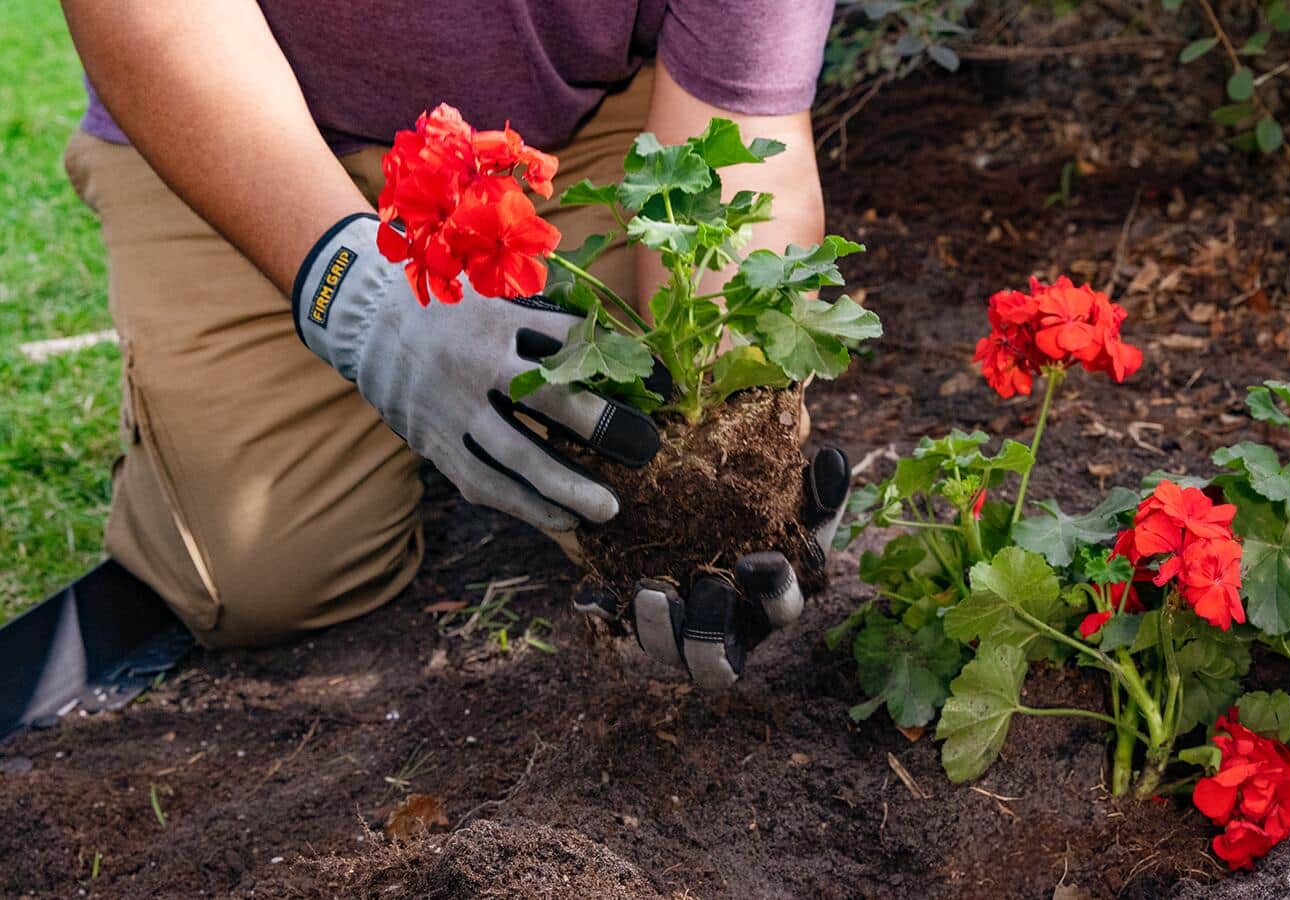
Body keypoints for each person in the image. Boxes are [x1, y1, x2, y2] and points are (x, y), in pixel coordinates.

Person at [59, 0, 851, 689]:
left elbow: (742, 137)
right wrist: (355, 297)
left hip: (576, 125)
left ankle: (454, 399)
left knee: (642, 433)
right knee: (262, 579)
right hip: (231, 115)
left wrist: (735, 444)